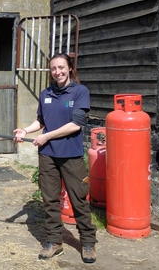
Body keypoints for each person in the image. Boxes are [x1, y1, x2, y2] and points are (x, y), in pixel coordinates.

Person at [14, 52, 97, 264]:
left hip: (71, 155)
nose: (57, 72)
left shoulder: (80, 92)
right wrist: (25, 130)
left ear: (69, 68)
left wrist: (46, 136)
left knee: (78, 199)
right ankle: (54, 241)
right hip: (48, 156)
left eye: (61, 67)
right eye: (53, 69)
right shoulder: (45, 93)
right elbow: (41, 121)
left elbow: (76, 124)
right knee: (50, 200)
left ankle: (87, 242)